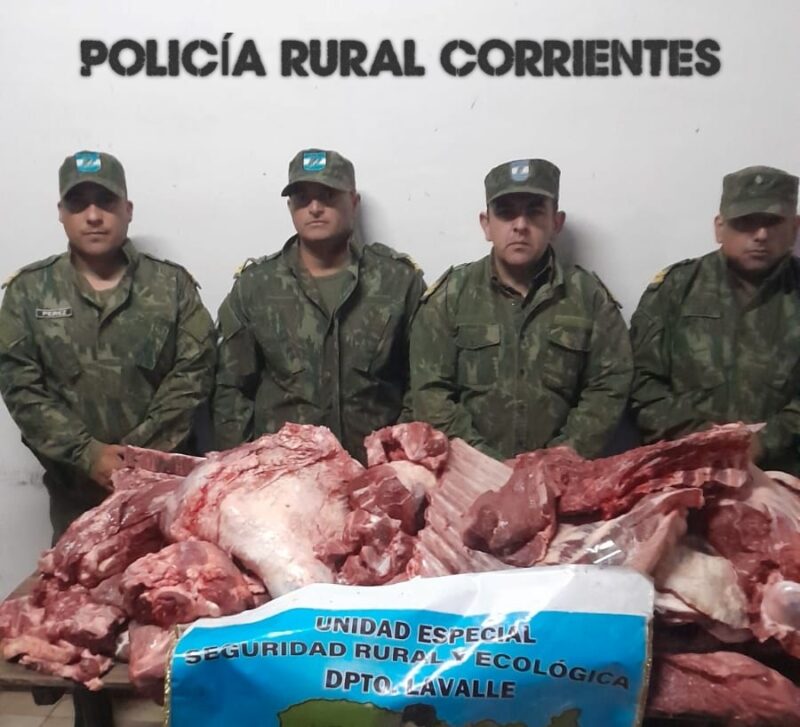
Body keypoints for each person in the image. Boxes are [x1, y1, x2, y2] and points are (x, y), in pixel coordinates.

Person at [0, 150, 216, 725]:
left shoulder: (171, 288)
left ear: (127, 210)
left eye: (105, 202)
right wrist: (87, 453)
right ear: (61, 213)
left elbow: (194, 371)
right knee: (83, 623)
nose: (93, 215)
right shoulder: (28, 294)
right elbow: (21, 386)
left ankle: (182, 711)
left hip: (162, 494)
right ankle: (90, 715)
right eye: (79, 204)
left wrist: (136, 458)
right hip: (77, 491)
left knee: (174, 609)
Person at [410, 158, 632, 460]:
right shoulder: (451, 296)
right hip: (469, 474)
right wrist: (483, 462)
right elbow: (430, 391)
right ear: (486, 225)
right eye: (505, 213)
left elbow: (609, 387)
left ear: (556, 222)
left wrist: (558, 458)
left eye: (534, 212)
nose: (520, 225)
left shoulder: (589, 298)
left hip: (564, 475)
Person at [213, 148, 425, 462]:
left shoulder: (398, 282)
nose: (314, 208)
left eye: (328, 195)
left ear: (353, 202)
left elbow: (421, 383)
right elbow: (230, 390)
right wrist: (245, 465)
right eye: (302, 198)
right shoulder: (256, 286)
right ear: (290, 208)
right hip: (282, 474)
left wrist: (396, 457)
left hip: (376, 471)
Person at [630, 165, 800, 473]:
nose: (760, 235)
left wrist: (767, 441)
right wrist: (699, 437)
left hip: (785, 472)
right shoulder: (676, 288)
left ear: (794, 227)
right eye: (746, 222)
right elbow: (640, 381)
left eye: (773, 222)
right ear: (719, 228)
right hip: (686, 469)